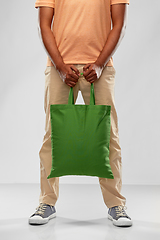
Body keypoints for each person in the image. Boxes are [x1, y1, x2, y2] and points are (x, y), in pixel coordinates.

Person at [29, 0, 132, 227]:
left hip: (100, 67)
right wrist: (59, 65)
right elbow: (44, 25)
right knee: (53, 135)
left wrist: (99, 64)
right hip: (59, 67)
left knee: (108, 136)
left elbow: (119, 24)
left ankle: (116, 204)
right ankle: (47, 202)